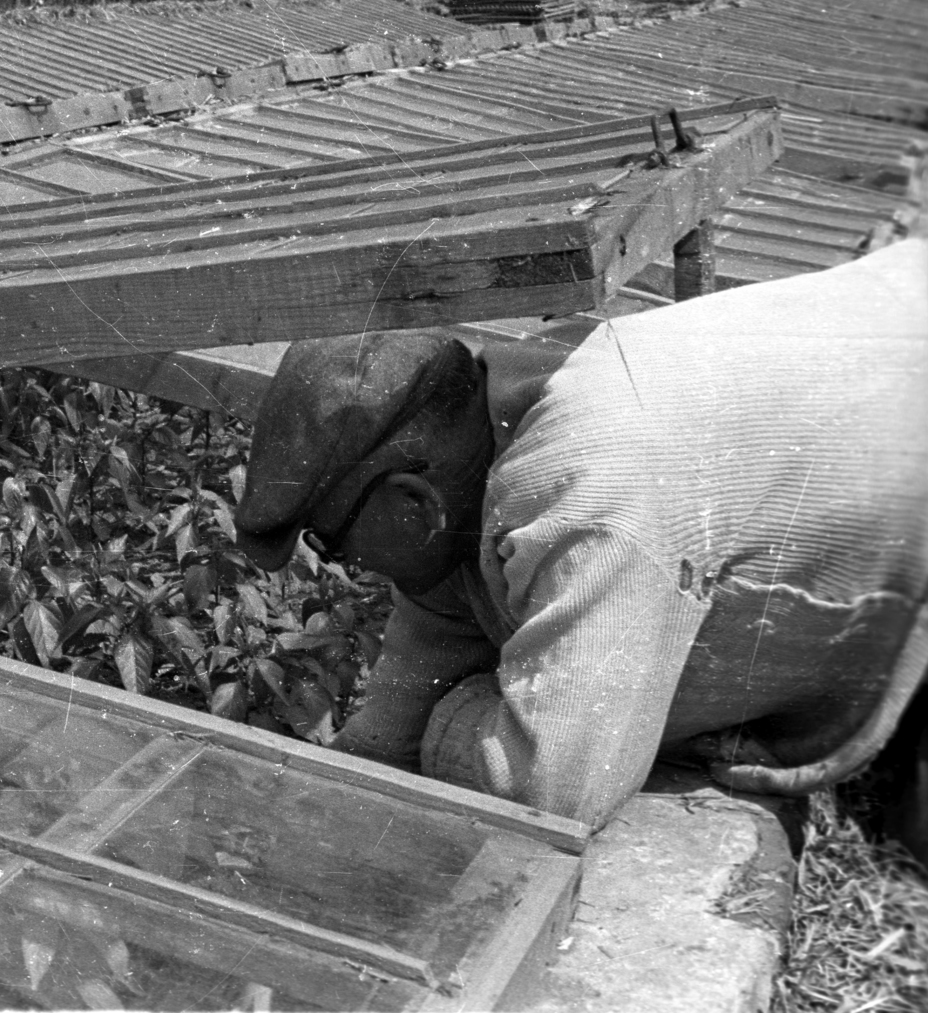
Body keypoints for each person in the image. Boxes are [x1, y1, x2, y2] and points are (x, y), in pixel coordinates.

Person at [233, 238, 927, 839]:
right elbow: (446, 613)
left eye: (330, 540)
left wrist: (452, 716)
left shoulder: (585, 485)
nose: (341, 564)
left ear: (415, 505)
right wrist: (362, 765)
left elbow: (551, 789)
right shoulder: (493, 422)